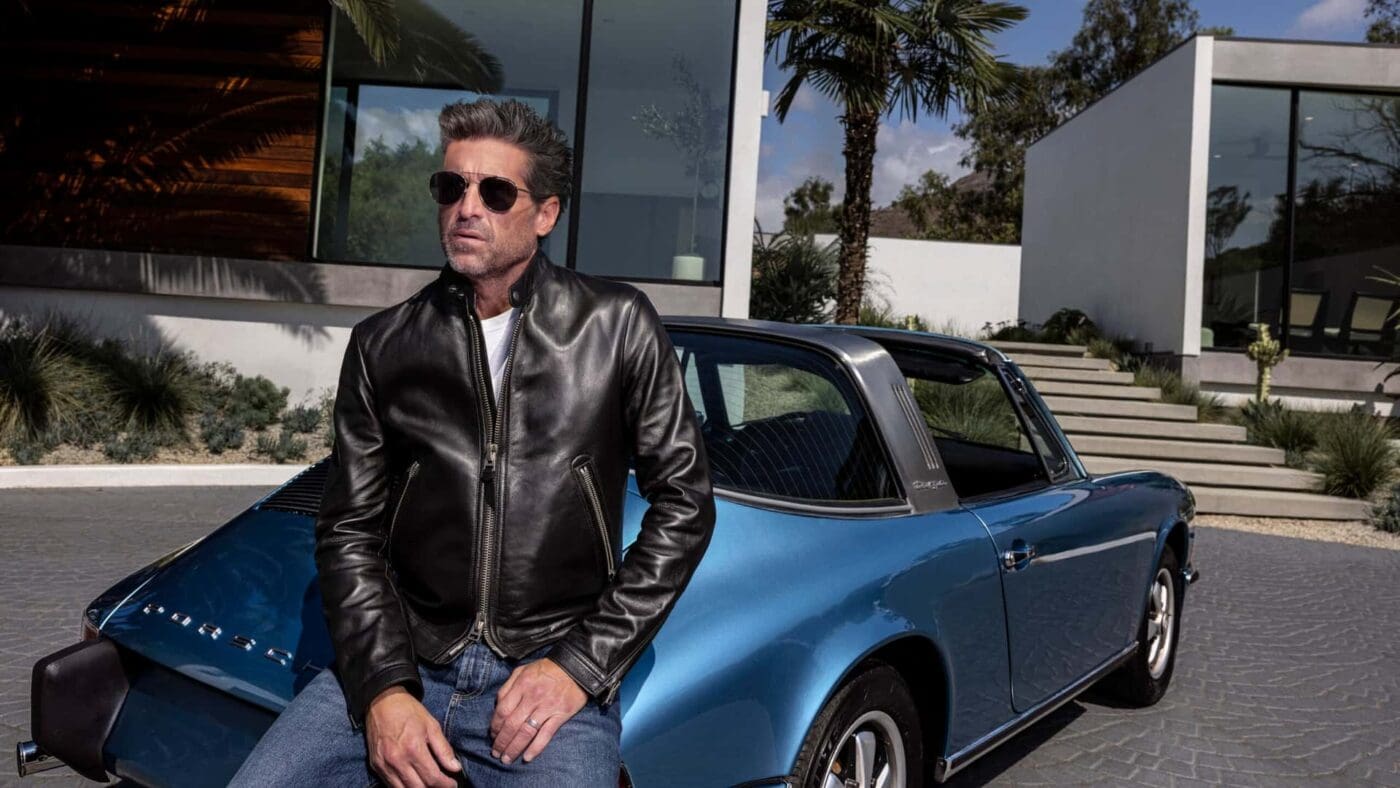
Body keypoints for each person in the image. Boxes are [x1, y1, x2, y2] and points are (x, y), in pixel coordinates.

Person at [230, 98, 716, 788]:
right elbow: (349, 531)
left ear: (545, 215)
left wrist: (581, 665)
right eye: (451, 186)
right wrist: (383, 689)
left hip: (546, 674)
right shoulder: (383, 345)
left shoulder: (616, 325)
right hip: (409, 659)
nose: (467, 207)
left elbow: (685, 505)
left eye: (495, 191)